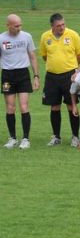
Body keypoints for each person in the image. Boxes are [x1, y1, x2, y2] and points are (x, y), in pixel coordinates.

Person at [39, 13, 80, 147]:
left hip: (69, 76)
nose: (62, 27)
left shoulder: (73, 35)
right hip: (52, 77)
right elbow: (44, 56)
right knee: (54, 107)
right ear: (52, 26)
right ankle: (56, 137)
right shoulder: (45, 37)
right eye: (58, 25)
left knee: (72, 106)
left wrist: (74, 70)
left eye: (63, 24)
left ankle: (75, 136)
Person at [1, 14, 39, 149]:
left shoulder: (26, 36)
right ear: (8, 25)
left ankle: (25, 139)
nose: (19, 28)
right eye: (16, 26)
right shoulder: (1, 39)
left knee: (24, 106)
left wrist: (36, 76)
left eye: (20, 25)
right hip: (7, 76)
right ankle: (12, 138)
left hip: (23, 74)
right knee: (10, 107)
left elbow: (33, 57)